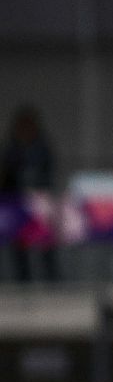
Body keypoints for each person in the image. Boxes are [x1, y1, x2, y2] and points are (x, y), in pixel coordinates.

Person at [0, 104, 59, 282]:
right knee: (20, 245)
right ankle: (22, 279)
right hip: (17, 203)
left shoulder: (42, 146)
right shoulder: (12, 147)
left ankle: (52, 279)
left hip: (40, 202)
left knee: (45, 244)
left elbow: (47, 170)